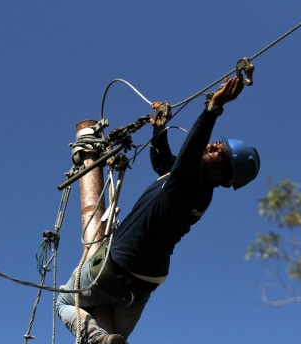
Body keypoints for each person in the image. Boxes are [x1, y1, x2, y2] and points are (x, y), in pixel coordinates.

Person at [56, 76, 261, 344]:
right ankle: (103, 339)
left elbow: (191, 149)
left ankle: (93, 336)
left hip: (116, 268)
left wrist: (213, 108)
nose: (211, 146)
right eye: (216, 144)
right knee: (115, 340)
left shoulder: (192, 186)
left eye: (218, 152)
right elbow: (163, 162)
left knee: (63, 301)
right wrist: (159, 129)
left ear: (223, 175)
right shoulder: (187, 184)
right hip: (142, 285)